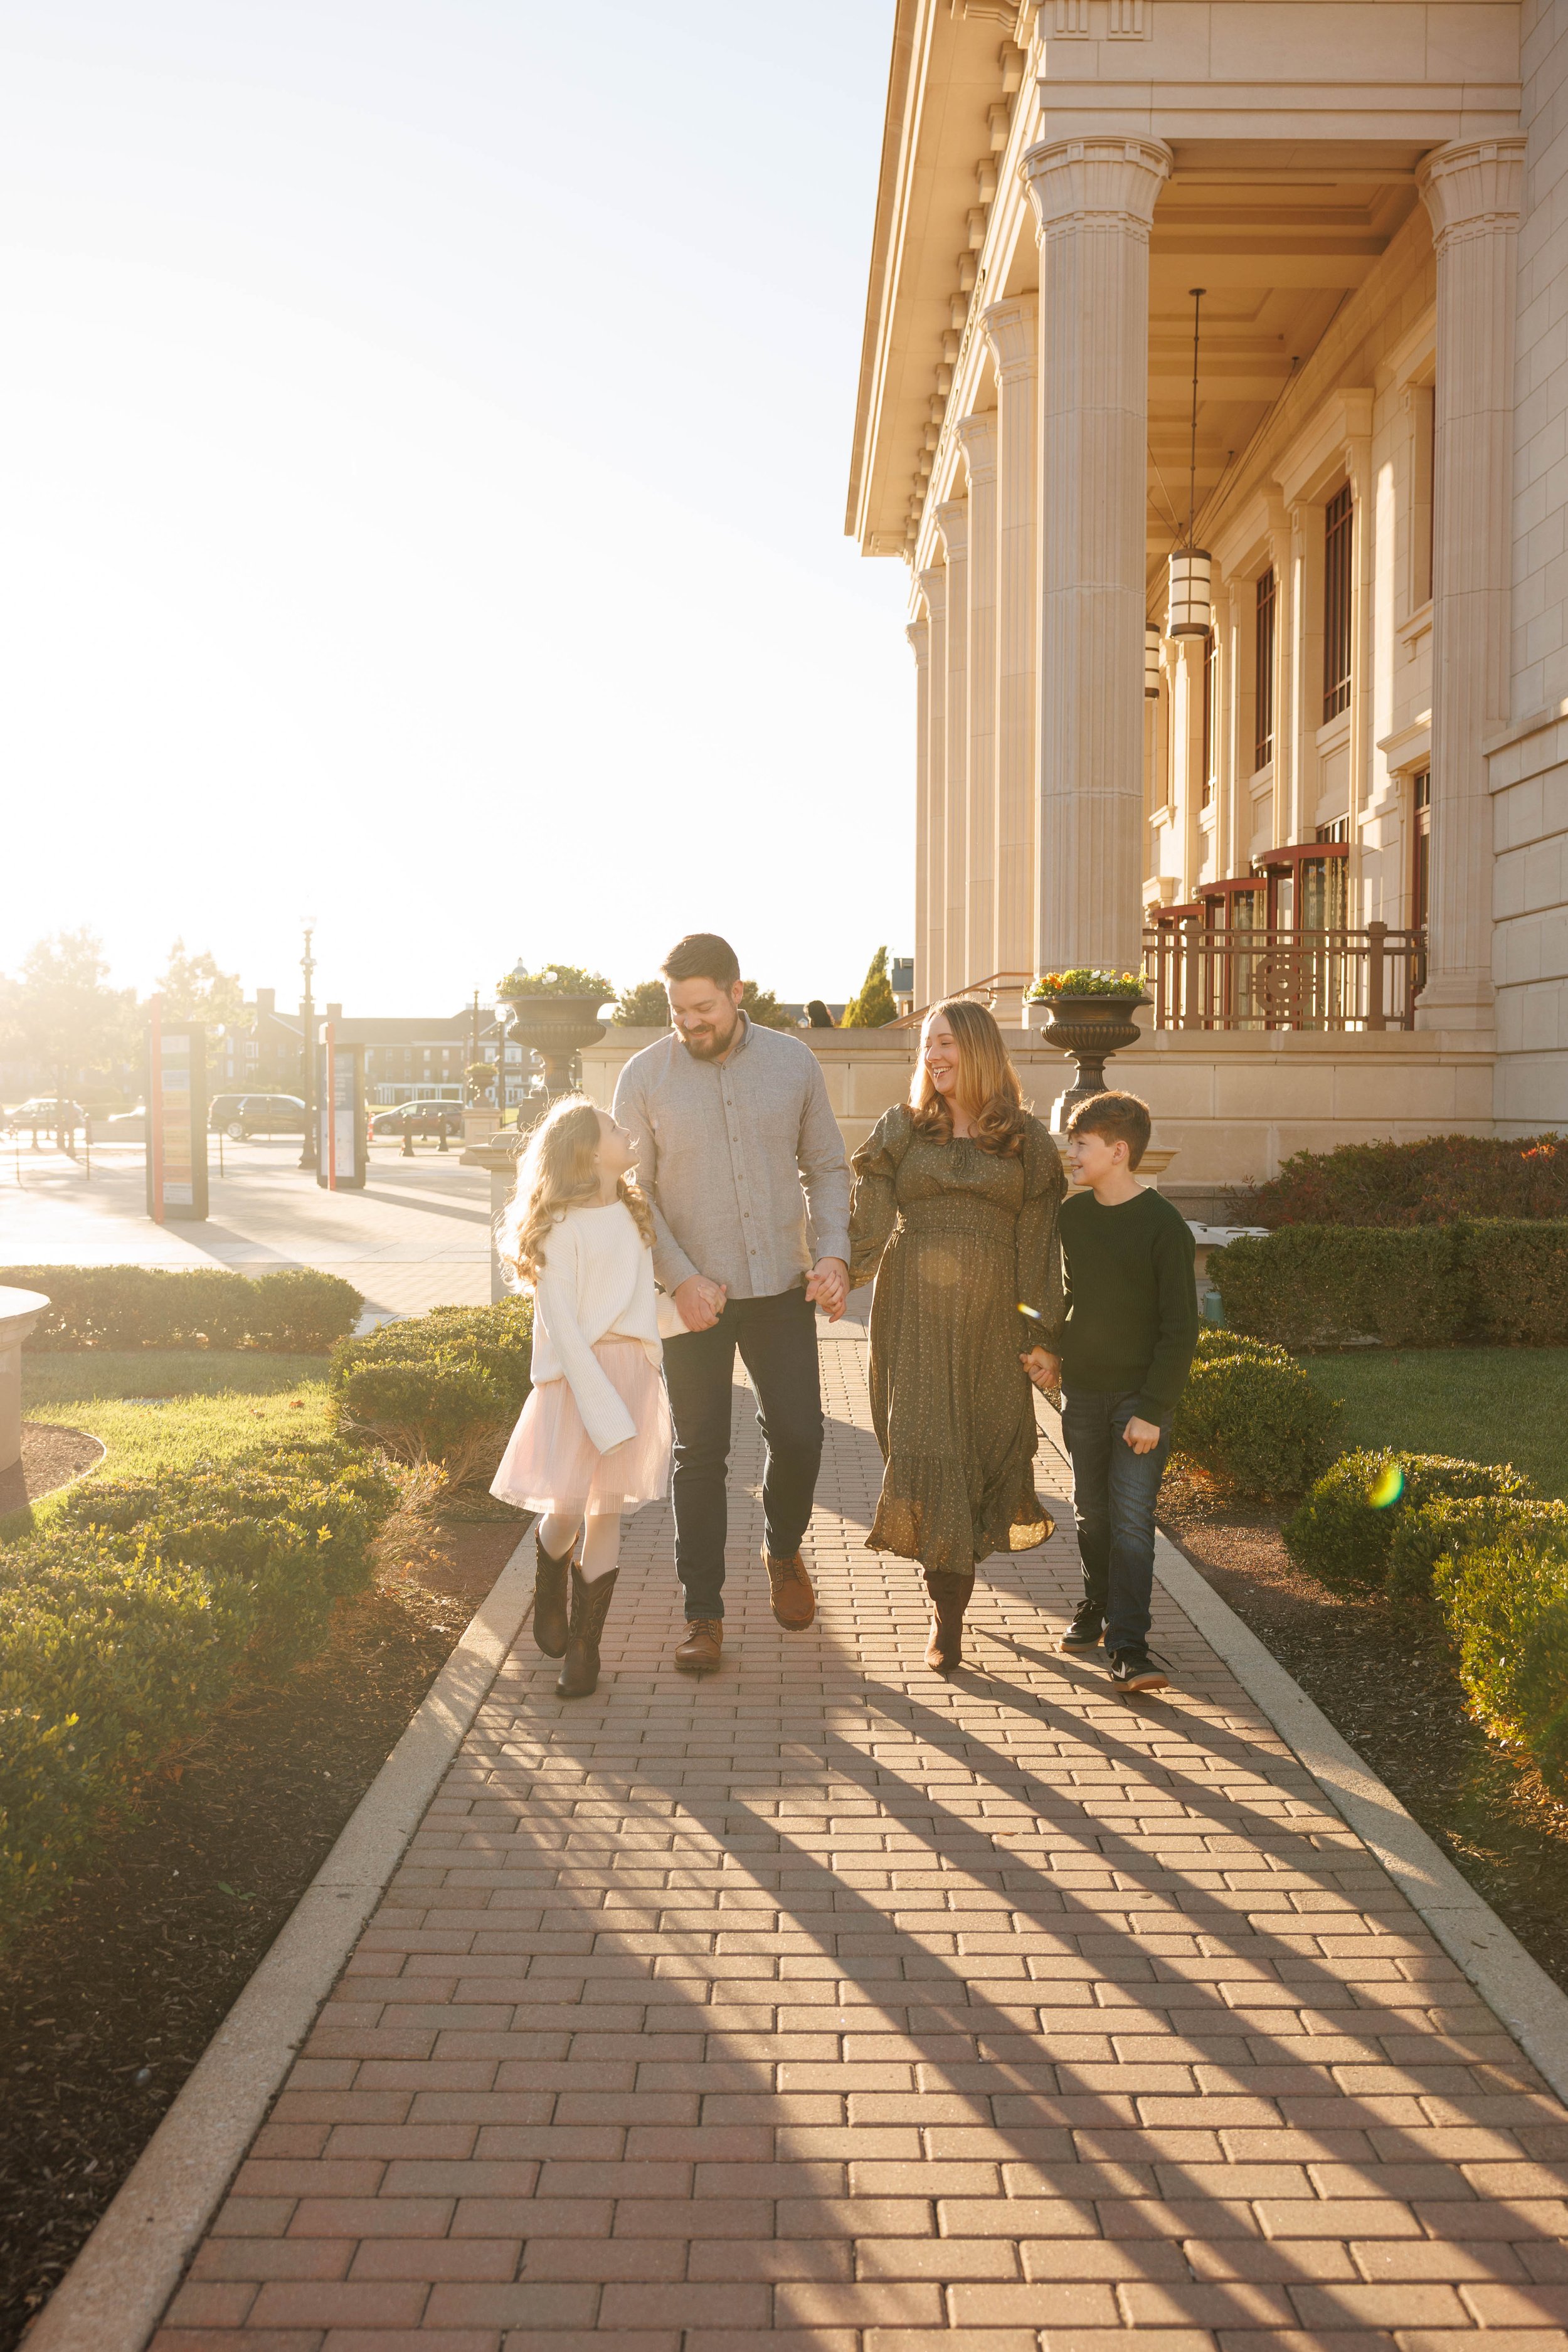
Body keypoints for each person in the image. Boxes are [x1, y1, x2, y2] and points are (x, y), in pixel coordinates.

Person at [612, 933, 852, 1672]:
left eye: (703, 1007)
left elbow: (828, 1166)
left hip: (781, 1289)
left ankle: (782, 1551)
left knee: (802, 1436)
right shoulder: (644, 1077)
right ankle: (703, 1615)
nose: (690, 1022)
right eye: (678, 1009)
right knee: (700, 1454)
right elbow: (632, 1191)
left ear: (737, 991)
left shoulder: (793, 1063)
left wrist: (835, 1252)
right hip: (693, 1304)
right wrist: (680, 1278)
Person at [849, 999, 1065, 1671]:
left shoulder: (1026, 1139)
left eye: (946, 1043)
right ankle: (947, 1617)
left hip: (993, 1318)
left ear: (978, 1049)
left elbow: (1038, 1245)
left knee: (985, 1441)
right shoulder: (903, 1131)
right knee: (925, 1443)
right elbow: (869, 1221)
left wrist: (1041, 1335)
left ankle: (955, 1590)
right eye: (927, 1046)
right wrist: (837, 1273)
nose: (934, 1056)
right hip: (912, 1313)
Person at [490, 1094, 676, 1700]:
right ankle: (550, 1577)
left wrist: (688, 1318)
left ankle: (585, 1648)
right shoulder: (558, 1226)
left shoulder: (633, 1212)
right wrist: (600, 1406)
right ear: (590, 1152)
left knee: (606, 1514)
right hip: (577, 1383)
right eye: (614, 1128)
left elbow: (637, 1311)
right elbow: (566, 1328)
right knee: (567, 1509)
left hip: (630, 1377)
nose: (628, 1132)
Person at [1027, 1089, 1197, 1695]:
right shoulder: (1073, 1218)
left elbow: (1182, 1330)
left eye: (1081, 1145)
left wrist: (1152, 1410)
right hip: (1084, 1395)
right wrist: (1050, 1348)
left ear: (1119, 1152)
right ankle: (1096, 1605)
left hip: (1138, 1402)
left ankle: (1129, 1646)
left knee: (1130, 1520)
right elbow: (1068, 1299)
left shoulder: (1163, 1226)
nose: (1070, 1154)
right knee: (1092, 1513)